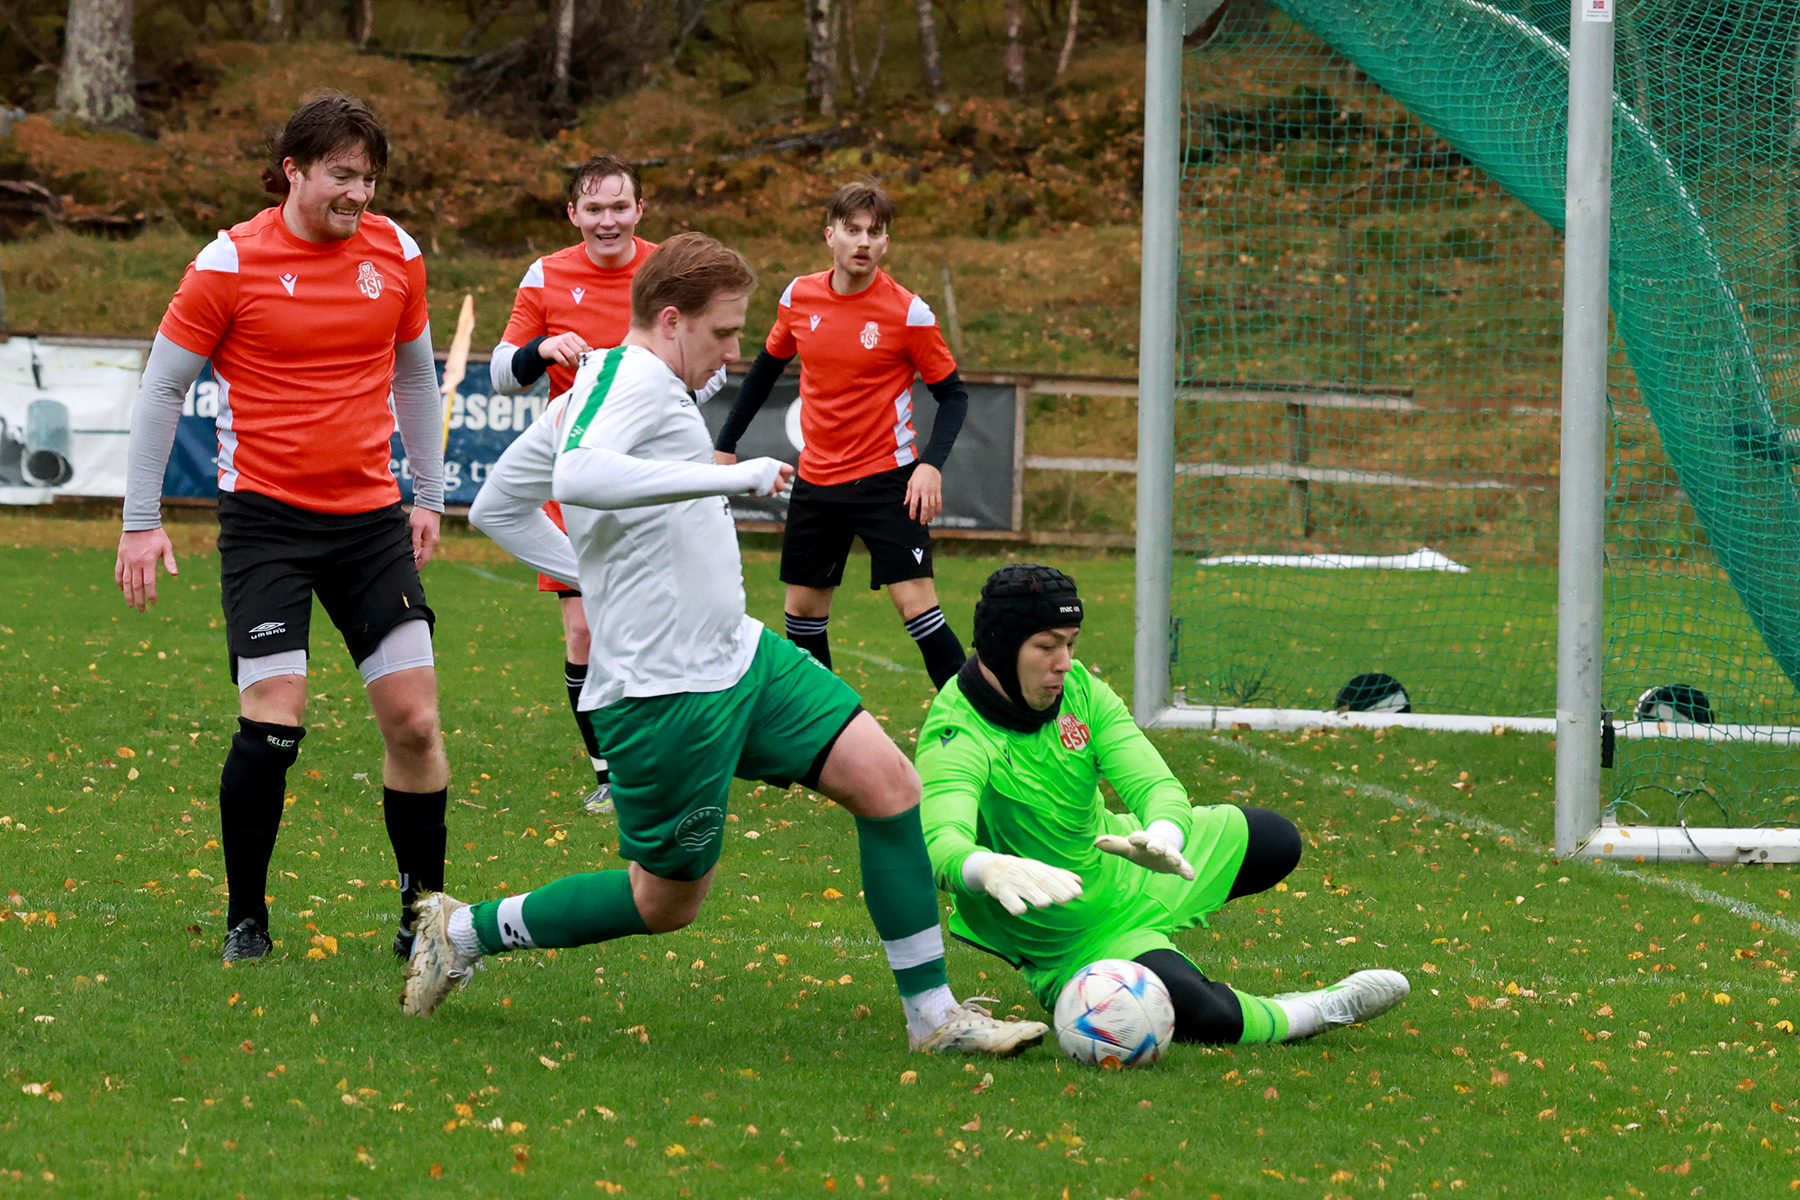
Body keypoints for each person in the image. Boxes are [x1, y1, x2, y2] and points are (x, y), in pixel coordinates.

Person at [411, 234, 1044, 1056]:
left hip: (741, 655)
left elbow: (498, 505)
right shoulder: (627, 380)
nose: (735, 352)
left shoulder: (616, 382)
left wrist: (595, 576)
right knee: (666, 902)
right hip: (667, 688)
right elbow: (569, 481)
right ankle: (464, 933)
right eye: (723, 332)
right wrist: (727, 478)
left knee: (890, 784)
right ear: (671, 321)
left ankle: (934, 1018)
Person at [113, 93, 451, 963]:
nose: (359, 195)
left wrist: (430, 493)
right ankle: (247, 920)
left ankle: (422, 919)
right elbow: (161, 389)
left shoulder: (397, 252)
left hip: (372, 523)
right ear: (293, 169)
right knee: (275, 721)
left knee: (414, 721)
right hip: (268, 524)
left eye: (369, 178)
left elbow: (416, 378)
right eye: (342, 175)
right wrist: (141, 522)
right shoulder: (229, 262)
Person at [917, 564, 1412, 1046]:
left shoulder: (1081, 690)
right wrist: (988, 868)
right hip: (1074, 936)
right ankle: (1318, 1009)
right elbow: (941, 843)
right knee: (1208, 1015)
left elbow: (1156, 783)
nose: (1064, 662)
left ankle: (1160, 914)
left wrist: (1163, 837)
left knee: (1278, 839)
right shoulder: (956, 731)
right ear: (1002, 650)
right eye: (1047, 646)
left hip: (1126, 854)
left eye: (1070, 643)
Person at [713, 180, 969, 690]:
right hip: (818, 480)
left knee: (916, 607)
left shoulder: (908, 312)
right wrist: (725, 445)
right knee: (802, 613)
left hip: (886, 479)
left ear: (886, 243)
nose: (864, 242)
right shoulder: (798, 296)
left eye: (875, 233)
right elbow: (764, 370)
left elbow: (954, 395)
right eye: (852, 230)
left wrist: (931, 464)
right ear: (829, 235)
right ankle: (829, 733)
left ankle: (979, 731)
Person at [488, 154, 656, 815]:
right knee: (585, 630)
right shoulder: (547, 274)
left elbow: (713, 367)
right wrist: (542, 350)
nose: (607, 220)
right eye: (594, 209)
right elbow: (504, 371)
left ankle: (673, 752)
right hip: (575, 474)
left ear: (639, 209)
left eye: (620, 207)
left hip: (648, 473)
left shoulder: (669, 268)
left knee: (650, 623)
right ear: (573, 214)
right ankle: (611, 771)